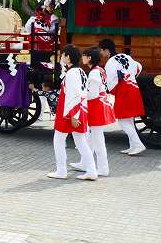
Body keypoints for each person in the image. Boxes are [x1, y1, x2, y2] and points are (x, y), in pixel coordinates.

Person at [48, 44, 97, 181]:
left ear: (68, 57)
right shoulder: (80, 71)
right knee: (81, 142)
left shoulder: (72, 73)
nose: (61, 57)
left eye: (63, 55)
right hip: (79, 110)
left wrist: (74, 115)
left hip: (69, 112)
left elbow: (73, 95)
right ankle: (91, 171)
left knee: (59, 140)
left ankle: (61, 171)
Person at [98, 38, 146, 155]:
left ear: (106, 50)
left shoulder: (110, 62)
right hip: (133, 87)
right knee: (129, 120)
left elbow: (111, 81)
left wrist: (109, 91)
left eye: (101, 50)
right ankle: (132, 146)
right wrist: (131, 76)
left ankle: (138, 145)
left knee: (122, 120)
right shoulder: (125, 56)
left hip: (123, 91)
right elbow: (138, 67)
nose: (101, 53)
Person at [74, 47, 116, 177]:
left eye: (84, 55)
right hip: (100, 105)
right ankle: (85, 163)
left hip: (96, 107)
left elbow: (92, 94)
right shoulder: (99, 70)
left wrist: (80, 95)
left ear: (89, 58)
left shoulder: (93, 73)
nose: (82, 58)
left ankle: (103, 168)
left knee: (98, 140)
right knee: (92, 139)